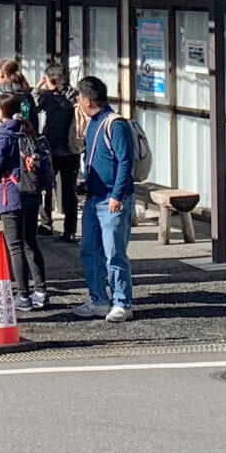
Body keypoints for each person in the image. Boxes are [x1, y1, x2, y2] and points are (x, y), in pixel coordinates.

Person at [73, 76, 134, 323]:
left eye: (79, 98)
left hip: (111, 199)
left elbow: (125, 161)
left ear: (87, 100)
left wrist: (117, 195)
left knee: (114, 253)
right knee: (90, 250)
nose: (77, 103)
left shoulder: (115, 124)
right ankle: (98, 299)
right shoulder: (92, 123)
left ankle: (122, 302)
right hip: (94, 196)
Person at [0, 94, 51, 309]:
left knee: (15, 246)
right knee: (30, 243)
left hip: (11, 194)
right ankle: (41, 291)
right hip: (31, 193)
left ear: (0, 112)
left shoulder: (4, 135)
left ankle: (23, 295)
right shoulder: (27, 129)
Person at [35, 66, 77, 239]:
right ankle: (70, 230)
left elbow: (34, 105)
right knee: (70, 190)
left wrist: (38, 86)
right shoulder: (74, 95)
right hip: (71, 149)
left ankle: (46, 223)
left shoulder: (48, 97)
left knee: (45, 187)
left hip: (51, 148)